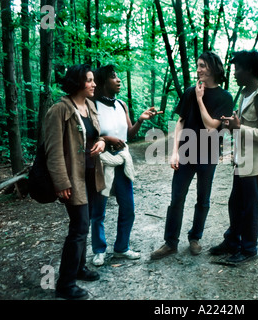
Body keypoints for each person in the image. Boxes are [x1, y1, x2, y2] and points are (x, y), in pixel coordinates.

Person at [151, 51, 233, 260]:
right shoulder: (189, 92)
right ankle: (170, 243)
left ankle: (195, 237)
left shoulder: (225, 97)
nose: (198, 69)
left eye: (202, 65)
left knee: (202, 200)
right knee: (176, 198)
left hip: (209, 154)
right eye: (197, 65)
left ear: (214, 68)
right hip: (186, 153)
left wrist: (200, 99)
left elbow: (210, 127)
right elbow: (180, 122)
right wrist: (174, 153)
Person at [44, 64, 106, 299]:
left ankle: (79, 268)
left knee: (85, 223)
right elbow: (53, 151)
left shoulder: (89, 106)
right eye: (89, 80)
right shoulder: (59, 110)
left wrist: (101, 142)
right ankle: (65, 284)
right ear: (78, 83)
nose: (94, 84)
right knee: (79, 228)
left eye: (93, 80)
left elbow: (95, 135)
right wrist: (61, 182)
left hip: (91, 175)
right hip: (72, 179)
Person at [210, 50, 258, 263]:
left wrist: (241, 127)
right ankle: (232, 242)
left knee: (250, 207)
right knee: (235, 203)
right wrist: (232, 126)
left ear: (249, 70)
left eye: (238, 68)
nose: (235, 73)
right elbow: (243, 128)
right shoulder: (244, 94)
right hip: (242, 160)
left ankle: (249, 250)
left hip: (256, 162)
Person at [91, 65, 162, 266]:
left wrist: (140, 120)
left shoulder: (121, 104)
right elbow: (89, 137)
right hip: (102, 161)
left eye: (118, 77)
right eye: (114, 77)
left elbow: (129, 135)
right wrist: (107, 138)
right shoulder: (92, 106)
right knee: (99, 210)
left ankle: (122, 247)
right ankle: (99, 250)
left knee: (128, 207)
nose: (119, 80)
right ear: (104, 82)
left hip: (122, 160)